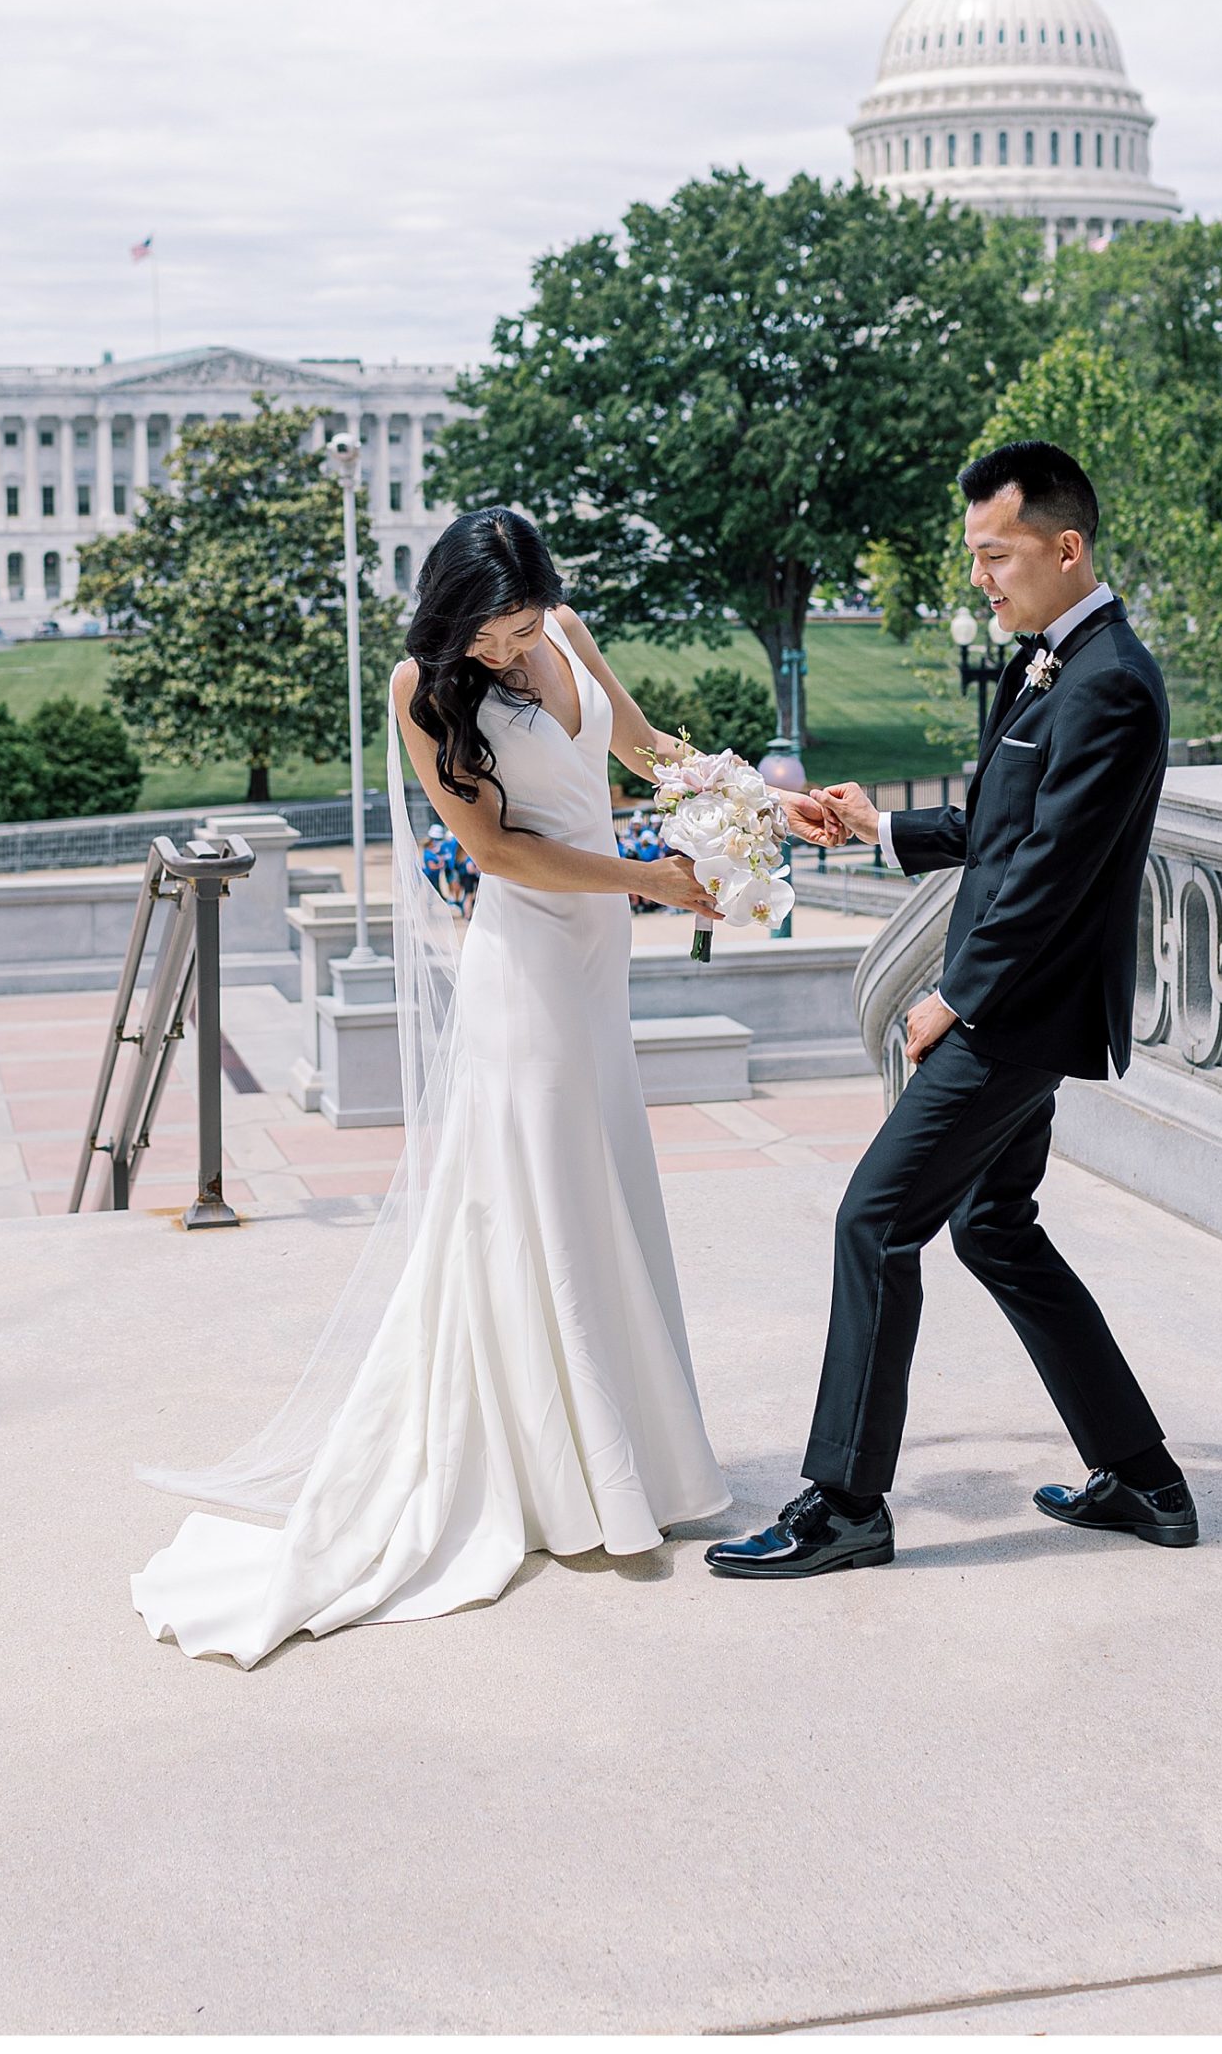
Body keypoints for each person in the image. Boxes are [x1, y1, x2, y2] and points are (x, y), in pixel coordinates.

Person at [130, 506, 840, 1666]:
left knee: (601, 1181)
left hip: (598, 954)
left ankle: (632, 1457)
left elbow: (649, 748)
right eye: (496, 635)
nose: (511, 652)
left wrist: (762, 807)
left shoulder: (563, 624)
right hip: (527, 966)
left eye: (521, 629)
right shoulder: (425, 686)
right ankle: (566, 1476)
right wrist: (651, 883)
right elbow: (501, 851)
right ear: (456, 611)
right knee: (548, 1199)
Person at [705, 440, 1196, 1582]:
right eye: (973, 554)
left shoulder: (1110, 680)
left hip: (1015, 1013)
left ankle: (843, 1503)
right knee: (994, 1227)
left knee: (874, 1221)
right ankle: (1145, 1476)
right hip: (1013, 1004)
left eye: (996, 553)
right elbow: (999, 835)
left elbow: (1053, 875)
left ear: (1065, 547)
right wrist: (871, 828)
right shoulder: (1056, 665)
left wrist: (954, 997)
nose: (981, 576)